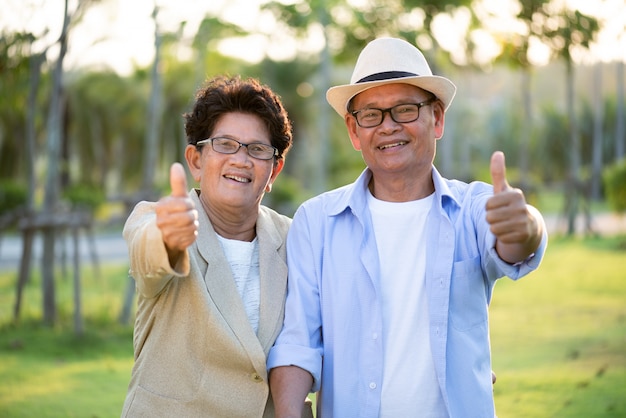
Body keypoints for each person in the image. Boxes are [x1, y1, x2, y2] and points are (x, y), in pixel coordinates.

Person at [267, 37, 548, 418]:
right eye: (371, 115)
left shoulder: (470, 209)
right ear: (353, 130)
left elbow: (516, 241)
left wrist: (523, 226)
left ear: (437, 119)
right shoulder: (316, 222)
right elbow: (298, 344)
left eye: (405, 109)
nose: (388, 127)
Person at [121, 75, 312, 417]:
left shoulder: (297, 238)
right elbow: (147, 258)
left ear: (274, 170)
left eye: (257, 149)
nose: (240, 159)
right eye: (225, 144)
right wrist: (168, 238)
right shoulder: (157, 219)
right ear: (196, 160)